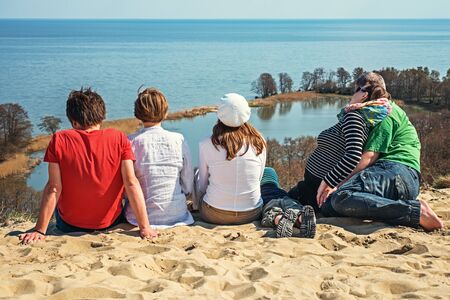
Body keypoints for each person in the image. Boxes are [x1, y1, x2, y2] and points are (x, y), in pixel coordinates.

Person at [19, 88, 157, 244]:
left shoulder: (60, 139)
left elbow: (53, 187)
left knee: (55, 188)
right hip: (110, 223)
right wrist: (145, 227)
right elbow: (131, 182)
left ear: (74, 121)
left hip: (69, 226)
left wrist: (39, 230)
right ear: (102, 116)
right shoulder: (118, 138)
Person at [321, 73, 444, 231]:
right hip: (393, 177)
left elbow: (369, 157)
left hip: (397, 171)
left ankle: (416, 211)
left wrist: (335, 184)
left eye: (357, 90)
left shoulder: (386, 113)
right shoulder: (376, 111)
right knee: (329, 206)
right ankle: (404, 209)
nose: (353, 94)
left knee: (341, 197)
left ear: (365, 92)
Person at [288, 72, 392, 213]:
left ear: (363, 94)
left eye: (355, 90)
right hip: (314, 185)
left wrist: (328, 182)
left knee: (272, 192)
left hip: (316, 188)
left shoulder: (353, 117)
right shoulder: (368, 116)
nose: (351, 95)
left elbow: (353, 155)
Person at [124, 88, 194, 228]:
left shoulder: (130, 141)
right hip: (178, 214)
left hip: (138, 217)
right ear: (165, 112)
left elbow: (127, 185)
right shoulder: (178, 139)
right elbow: (187, 180)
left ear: (138, 114)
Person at [194, 93, 266, 225]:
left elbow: (202, 185)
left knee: (197, 173)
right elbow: (258, 178)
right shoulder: (259, 141)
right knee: (270, 172)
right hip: (252, 213)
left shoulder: (206, 144)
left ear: (220, 114)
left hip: (214, 213)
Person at [260, 167, 316, 238]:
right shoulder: (280, 190)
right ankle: (301, 218)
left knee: (272, 213)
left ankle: (280, 219)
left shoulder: (260, 191)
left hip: (270, 201)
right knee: (294, 207)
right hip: (285, 198)